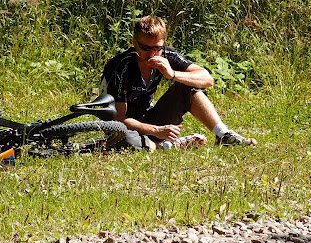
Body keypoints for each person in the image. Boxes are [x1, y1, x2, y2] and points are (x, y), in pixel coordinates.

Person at [100, 15, 256, 150]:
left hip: (147, 119)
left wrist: (173, 74)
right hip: (121, 127)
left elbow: (207, 79)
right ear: (134, 42)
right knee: (125, 140)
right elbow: (118, 117)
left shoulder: (166, 55)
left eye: (158, 48)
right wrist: (156, 130)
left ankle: (224, 135)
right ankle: (168, 145)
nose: (152, 54)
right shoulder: (122, 67)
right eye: (145, 48)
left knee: (187, 85)